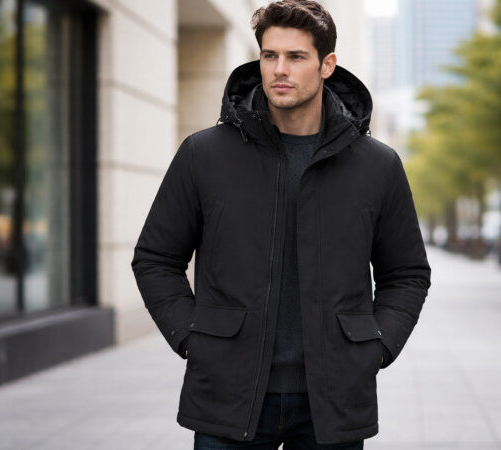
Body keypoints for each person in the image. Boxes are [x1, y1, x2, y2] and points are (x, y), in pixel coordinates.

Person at [131, 0, 431, 448]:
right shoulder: (204, 154)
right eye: (269, 55)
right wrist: (191, 338)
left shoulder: (377, 165)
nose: (279, 70)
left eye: (296, 56)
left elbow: (407, 273)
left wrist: (377, 347)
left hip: (333, 401)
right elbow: (155, 259)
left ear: (327, 65)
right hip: (226, 396)